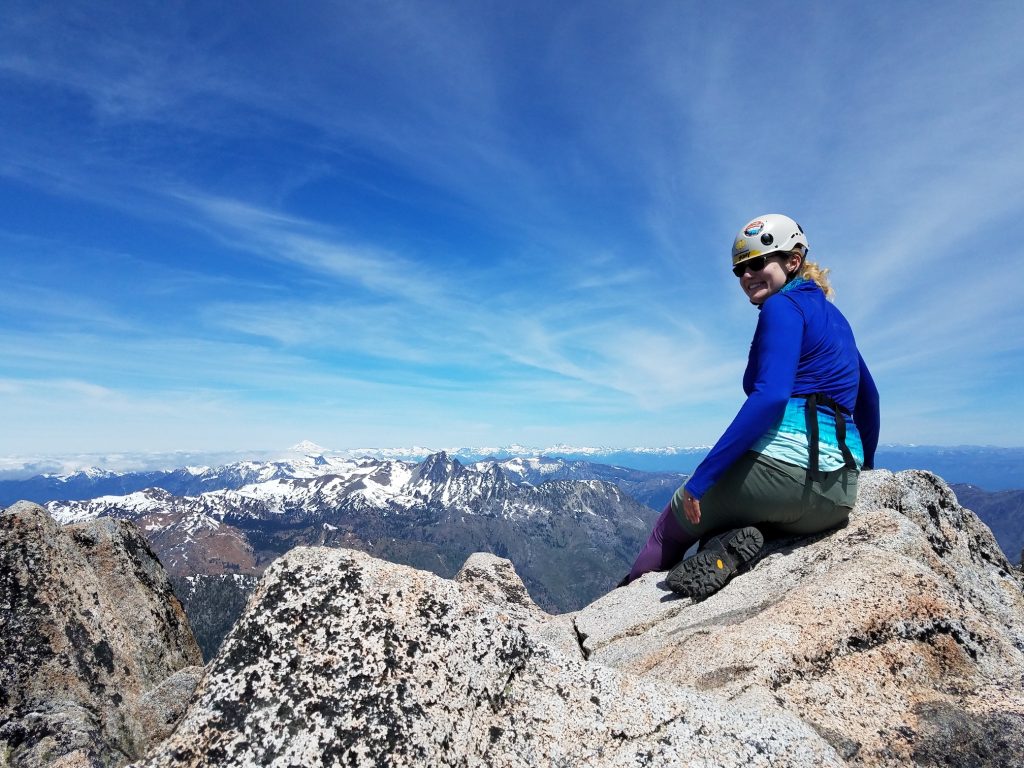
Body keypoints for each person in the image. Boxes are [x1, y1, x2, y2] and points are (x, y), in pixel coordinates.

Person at [623, 213, 880, 598]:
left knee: (672, 521)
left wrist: (700, 481)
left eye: (759, 262)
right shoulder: (836, 319)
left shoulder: (783, 307)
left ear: (793, 261)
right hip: (835, 499)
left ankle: (626, 594)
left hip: (785, 474)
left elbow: (771, 396)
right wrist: (864, 469)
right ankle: (729, 546)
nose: (747, 274)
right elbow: (869, 399)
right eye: (740, 269)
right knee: (734, 515)